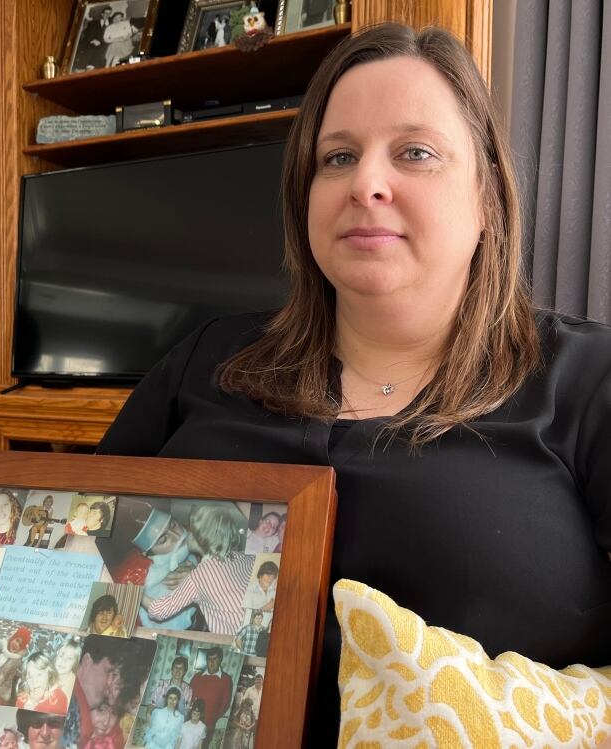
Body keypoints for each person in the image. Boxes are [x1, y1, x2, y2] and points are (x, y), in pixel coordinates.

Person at [95, 18, 611, 744]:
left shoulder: (588, 381)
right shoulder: (205, 360)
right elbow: (82, 550)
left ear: (489, 197)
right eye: (337, 158)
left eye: (416, 153)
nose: (367, 183)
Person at [143, 504, 254, 635]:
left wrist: (138, 594)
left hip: (236, 639)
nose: (183, 535)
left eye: (190, 531)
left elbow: (159, 611)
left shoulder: (198, 577)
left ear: (199, 538)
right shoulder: (244, 556)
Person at [110, 503, 199, 630]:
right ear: (148, 552)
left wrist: (199, 578)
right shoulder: (132, 576)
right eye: (163, 540)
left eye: (173, 525)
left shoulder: (199, 537)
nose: (177, 536)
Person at [188, 647, 232, 749]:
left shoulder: (226, 679)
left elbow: (225, 704)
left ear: (220, 660)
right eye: (209, 659)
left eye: (215, 659)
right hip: (191, 723)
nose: (211, 662)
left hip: (208, 726)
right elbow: (188, 696)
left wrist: (213, 718)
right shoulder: (197, 677)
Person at [240, 560, 278, 626]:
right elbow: (246, 616)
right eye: (268, 575)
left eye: (273, 576)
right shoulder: (250, 590)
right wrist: (267, 607)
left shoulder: (273, 588)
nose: (271, 579)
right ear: (261, 574)